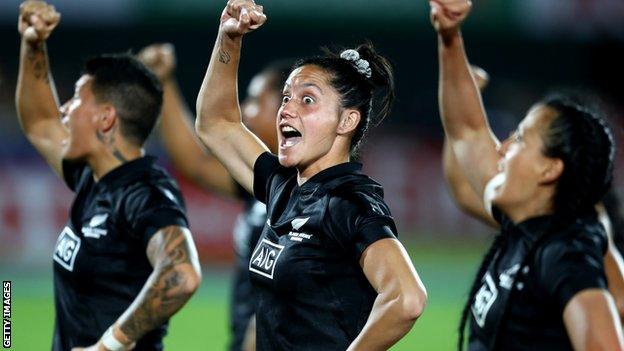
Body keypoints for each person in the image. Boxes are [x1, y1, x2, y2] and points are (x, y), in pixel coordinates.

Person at [194, 1, 428, 350]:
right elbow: (216, 123)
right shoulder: (284, 188)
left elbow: (407, 298)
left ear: (346, 121)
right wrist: (229, 38)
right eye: (286, 97)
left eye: (307, 100)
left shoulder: (348, 203)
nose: (286, 108)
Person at [430, 0, 624, 350]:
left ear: (550, 168)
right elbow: (468, 131)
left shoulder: (565, 253)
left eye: (519, 138)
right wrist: (449, 37)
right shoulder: (525, 226)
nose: (502, 147)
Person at [15, 2, 201, 350]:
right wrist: (33, 45)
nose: (63, 110)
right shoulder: (93, 176)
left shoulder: (145, 193)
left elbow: (182, 274)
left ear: (105, 119)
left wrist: (110, 345)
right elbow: (40, 122)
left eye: (75, 99)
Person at [137, 43, 291, 351]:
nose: (245, 110)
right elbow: (197, 163)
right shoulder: (264, 184)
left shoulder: (311, 194)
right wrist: (163, 82)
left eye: (255, 100)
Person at [443, 68, 624, 323]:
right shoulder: (547, 211)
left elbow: (620, 303)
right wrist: (459, 108)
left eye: (523, 138)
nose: (507, 146)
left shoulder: (579, 220)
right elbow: (464, 186)